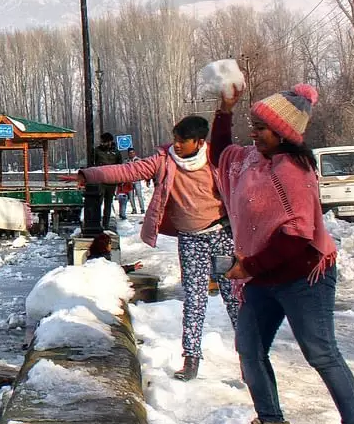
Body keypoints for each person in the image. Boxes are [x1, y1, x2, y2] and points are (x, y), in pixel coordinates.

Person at [213, 84, 354, 424]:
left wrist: (248, 267)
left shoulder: (294, 171)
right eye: (252, 126)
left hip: (304, 275)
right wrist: (224, 111)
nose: (254, 135)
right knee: (249, 350)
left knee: (320, 352)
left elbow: (298, 236)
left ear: (285, 132)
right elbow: (220, 154)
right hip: (261, 277)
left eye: (262, 128)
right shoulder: (253, 161)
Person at [80, 115, 237, 381]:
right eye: (174, 139)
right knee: (194, 299)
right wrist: (89, 174)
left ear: (199, 142)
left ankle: (249, 357)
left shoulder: (217, 158)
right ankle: (191, 358)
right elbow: (128, 171)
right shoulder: (165, 160)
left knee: (234, 298)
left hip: (222, 234)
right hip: (191, 239)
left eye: (182, 141)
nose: (175, 145)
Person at [91, 132, 122, 229]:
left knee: (108, 204)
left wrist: (120, 180)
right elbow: (92, 164)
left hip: (111, 182)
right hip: (100, 181)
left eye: (105, 142)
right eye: (102, 141)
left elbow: (120, 166)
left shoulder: (116, 152)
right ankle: (96, 223)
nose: (103, 143)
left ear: (110, 142)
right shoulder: (97, 151)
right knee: (98, 203)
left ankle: (106, 224)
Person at [126, 148, 147, 214]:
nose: (131, 154)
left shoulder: (138, 160)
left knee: (139, 194)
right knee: (131, 196)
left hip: (137, 180)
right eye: (130, 153)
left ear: (134, 153)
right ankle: (134, 209)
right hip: (129, 181)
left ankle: (142, 209)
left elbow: (142, 169)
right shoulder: (126, 161)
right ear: (128, 154)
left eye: (132, 152)